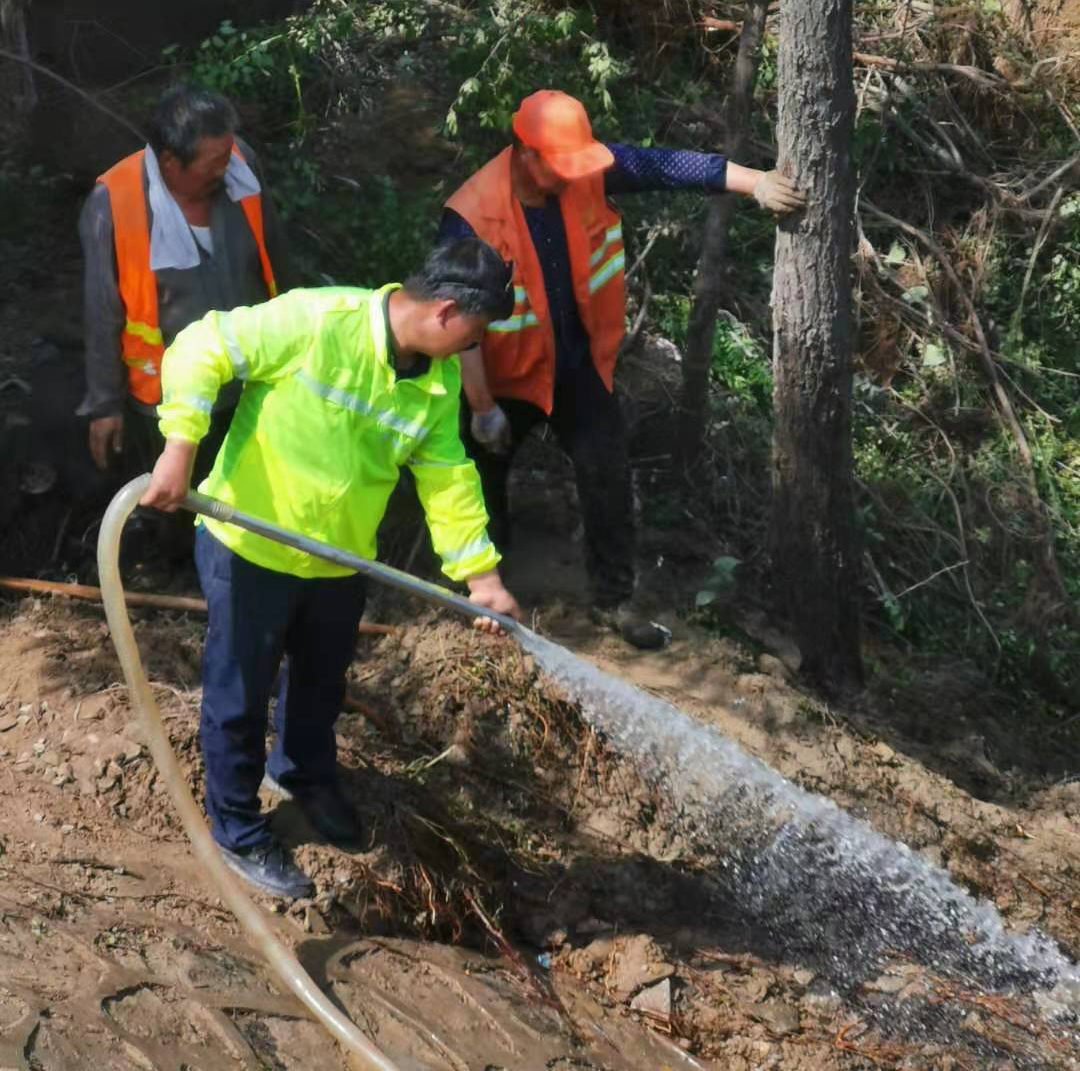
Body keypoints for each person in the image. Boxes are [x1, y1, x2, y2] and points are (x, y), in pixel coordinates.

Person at [139, 238, 523, 899]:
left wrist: (481, 575)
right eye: (475, 333)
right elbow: (202, 345)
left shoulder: (436, 379)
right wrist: (182, 444)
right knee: (239, 695)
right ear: (447, 311)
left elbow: (447, 475)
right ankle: (236, 826)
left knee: (319, 685)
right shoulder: (318, 321)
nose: (473, 348)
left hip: (338, 563)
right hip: (249, 547)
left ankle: (303, 774)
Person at [441, 88, 806, 652]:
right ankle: (484, 599)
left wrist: (754, 180)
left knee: (606, 470)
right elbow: (459, 322)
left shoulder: (583, 169)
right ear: (525, 152)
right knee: (481, 482)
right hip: (501, 378)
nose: (570, 177)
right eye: (558, 166)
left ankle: (613, 598)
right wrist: (483, 407)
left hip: (575, 366)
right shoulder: (471, 216)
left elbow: (664, 165)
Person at [78, 84, 288, 549]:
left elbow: (277, 258)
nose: (226, 166)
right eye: (213, 161)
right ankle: (178, 571)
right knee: (178, 503)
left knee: (249, 496)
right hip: (167, 398)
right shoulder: (112, 202)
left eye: (228, 153)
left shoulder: (241, 168)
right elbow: (101, 310)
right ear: (171, 162)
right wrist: (104, 403)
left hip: (252, 378)